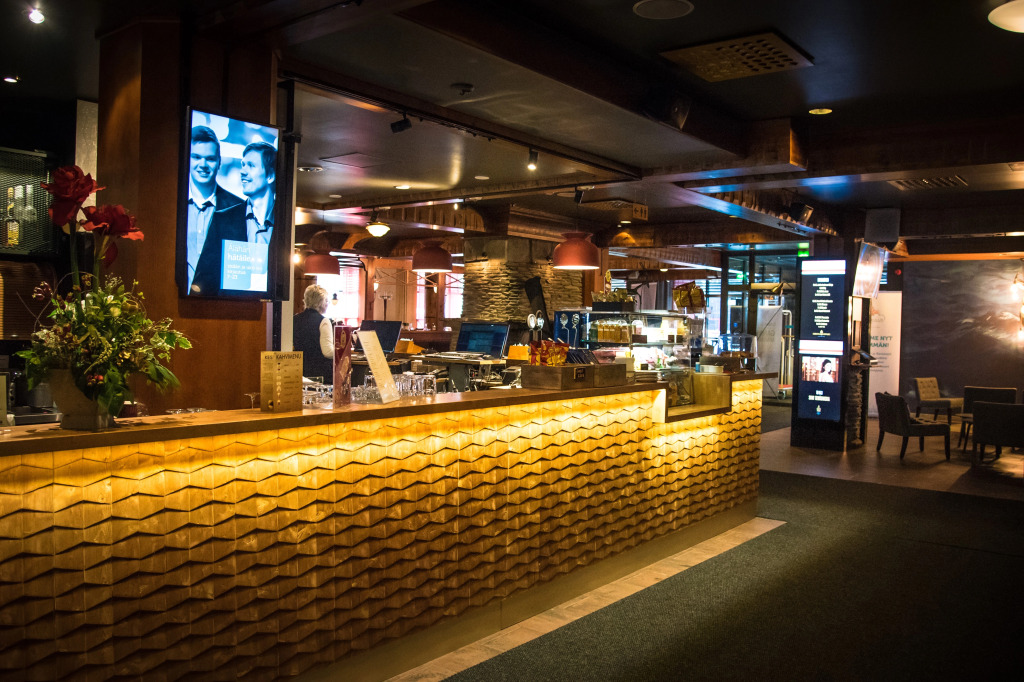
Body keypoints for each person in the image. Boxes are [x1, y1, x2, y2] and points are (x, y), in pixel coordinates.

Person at [193, 140, 277, 295]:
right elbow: (203, 281)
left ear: (270, 175)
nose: (242, 171)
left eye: (251, 166)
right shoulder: (223, 220)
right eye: (242, 165)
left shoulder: (285, 225)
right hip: (229, 308)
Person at [185, 126, 241, 292]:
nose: (203, 164)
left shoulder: (238, 208)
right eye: (196, 157)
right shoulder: (170, 205)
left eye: (210, 159)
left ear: (219, 162)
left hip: (221, 298)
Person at [294, 284, 334, 383]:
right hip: (320, 374)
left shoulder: (294, 319)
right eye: (326, 301)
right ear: (321, 302)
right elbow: (328, 352)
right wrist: (342, 352)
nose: (327, 304)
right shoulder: (324, 321)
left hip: (300, 371)